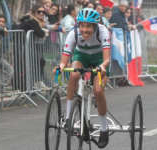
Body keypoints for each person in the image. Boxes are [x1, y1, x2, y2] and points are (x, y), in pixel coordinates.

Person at [54, 8, 110, 148]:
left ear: (95, 26)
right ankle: (68, 119)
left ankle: (104, 129)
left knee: (98, 91)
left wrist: (102, 67)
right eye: (82, 25)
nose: (85, 29)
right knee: (73, 74)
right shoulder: (73, 33)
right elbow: (64, 58)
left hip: (99, 61)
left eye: (89, 26)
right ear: (78, 25)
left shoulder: (102, 31)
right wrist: (61, 66)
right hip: (81, 57)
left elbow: (107, 59)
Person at [16, 5, 49, 90]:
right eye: (39, 11)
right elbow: (40, 33)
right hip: (22, 46)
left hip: (23, 46)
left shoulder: (31, 20)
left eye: (43, 12)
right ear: (34, 12)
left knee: (38, 62)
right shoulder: (32, 20)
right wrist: (44, 30)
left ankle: (36, 83)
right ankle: (37, 83)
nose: (41, 13)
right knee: (40, 61)